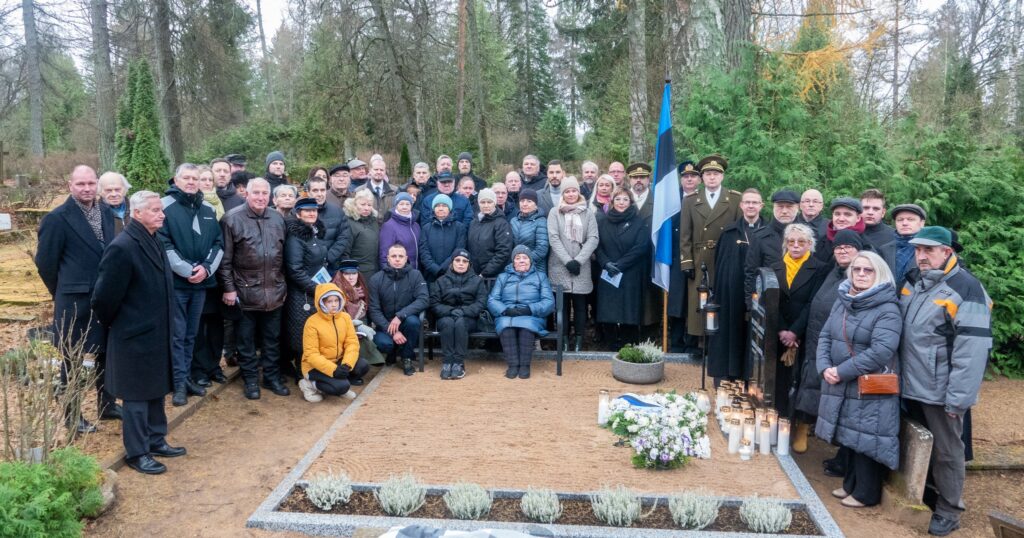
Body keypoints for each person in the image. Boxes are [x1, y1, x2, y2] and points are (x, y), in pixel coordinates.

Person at [899, 226, 992, 537]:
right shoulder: (914, 281)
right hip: (909, 382)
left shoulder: (967, 289)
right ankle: (926, 494)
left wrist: (959, 398)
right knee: (917, 444)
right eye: (918, 250)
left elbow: (973, 351)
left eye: (929, 250)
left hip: (940, 389)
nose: (921, 256)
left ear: (947, 252)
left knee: (947, 451)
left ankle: (950, 510)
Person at [91, 190, 185, 475]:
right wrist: (122, 325)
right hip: (133, 334)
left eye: (161, 209)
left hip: (156, 331)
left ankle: (157, 440)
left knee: (155, 390)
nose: (162, 214)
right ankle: (137, 452)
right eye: (156, 210)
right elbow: (103, 298)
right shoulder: (123, 247)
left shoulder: (153, 239)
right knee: (136, 398)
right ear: (138, 213)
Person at [815, 251, 902, 509]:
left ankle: (866, 492)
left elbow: (881, 351)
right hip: (843, 380)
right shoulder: (843, 300)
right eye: (857, 269)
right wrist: (824, 367)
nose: (861, 274)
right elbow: (825, 336)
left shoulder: (887, 308)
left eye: (868, 270)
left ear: (880, 274)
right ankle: (850, 484)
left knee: (867, 437)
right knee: (850, 435)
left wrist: (841, 371)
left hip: (868, 383)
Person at [35, 165, 118, 433]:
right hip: (73, 300)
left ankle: (107, 406)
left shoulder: (106, 212)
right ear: (70, 185)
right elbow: (46, 263)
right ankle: (72, 416)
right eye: (80, 184)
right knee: (72, 358)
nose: (86, 188)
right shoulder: (57, 218)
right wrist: (60, 291)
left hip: (104, 297)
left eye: (91, 183)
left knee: (106, 353)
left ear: (97, 184)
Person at [796, 229, 863, 478]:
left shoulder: (861, 274)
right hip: (819, 343)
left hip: (842, 349)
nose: (842, 250)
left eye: (848, 247)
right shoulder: (832, 271)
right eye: (838, 247)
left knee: (844, 405)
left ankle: (844, 459)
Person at [218, 178, 290, 400]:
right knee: (246, 341)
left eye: (264, 193)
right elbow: (225, 260)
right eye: (255, 193)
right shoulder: (231, 219)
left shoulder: (278, 219)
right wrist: (229, 289)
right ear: (246, 194)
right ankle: (250, 380)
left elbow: (284, 256)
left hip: (275, 292)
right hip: (245, 292)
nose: (260, 197)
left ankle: (271, 377)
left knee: (272, 339)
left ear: (270, 196)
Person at [159, 163, 223, 406]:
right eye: (186, 178)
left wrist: (206, 269)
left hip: (201, 284)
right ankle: (177, 384)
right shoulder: (166, 207)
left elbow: (218, 243)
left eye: (194, 178)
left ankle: (186, 378)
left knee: (191, 335)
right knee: (177, 335)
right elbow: (164, 244)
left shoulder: (207, 208)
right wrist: (187, 271)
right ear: (176, 180)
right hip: (177, 284)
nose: (191, 182)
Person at [771, 223, 828, 451]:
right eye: (791, 241)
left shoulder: (820, 268)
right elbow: (771, 300)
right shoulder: (773, 267)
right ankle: (779, 421)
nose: (796, 246)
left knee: (802, 381)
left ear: (809, 245)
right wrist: (782, 330)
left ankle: (801, 427)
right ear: (785, 243)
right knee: (779, 380)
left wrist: (795, 331)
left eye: (801, 242)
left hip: (803, 333)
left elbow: (812, 302)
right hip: (779, 333)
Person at [679, 155, 741, 338]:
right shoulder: (690, 200)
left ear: (722, 177)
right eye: (707, 174)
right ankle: (701, 342)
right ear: (702, 178)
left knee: (723, 299)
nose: (712, 177)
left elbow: (738, 232)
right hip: (700, 259)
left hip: (725, 257)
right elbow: (685, 235)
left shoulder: (735, 199)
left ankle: (720, 343)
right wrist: (687, 262)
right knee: (700, 300)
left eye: (716, 173)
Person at [707, 188, 765, 382]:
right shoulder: (729, 233)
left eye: (754, 202)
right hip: (731, 294)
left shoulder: (769, 233)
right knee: (731, 332)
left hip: (760, 293)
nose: (750, 206)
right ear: (741, 206)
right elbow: (720, 265)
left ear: (761, 206)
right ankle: (729, 374)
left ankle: (753, 377)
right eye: (747, 202)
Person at [595, 188, 651, 350]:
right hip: (608, 273)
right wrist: (606, 263)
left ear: (631, 202)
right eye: (618, 199)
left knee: (629, 313)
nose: (621, 202)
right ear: (612, 202)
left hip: (630, 273)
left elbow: (641, 247)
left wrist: (620, 265)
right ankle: (611, 346)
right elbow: (597, 246)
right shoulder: (603, 221)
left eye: (625, 199)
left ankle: (629, 347)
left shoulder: (639, 222)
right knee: (609, 312)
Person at [547, 176, 599, 347]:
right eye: (567, 191)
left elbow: (593, 238)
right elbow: (554, 238)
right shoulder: (555, 212)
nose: (570, 194)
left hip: (581, 266)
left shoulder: (587, 212)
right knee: (562, 306)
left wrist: (578, 261)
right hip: (559, 266)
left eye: (574, 190)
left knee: (580, 306)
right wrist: (568, 261)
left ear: (578, 192)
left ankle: (578, 340)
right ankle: (563, 340)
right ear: (563, 193)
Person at [488, 246, 555, 379]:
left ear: (530, 261)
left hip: (531, 314)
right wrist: (505, 310)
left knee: (526, 327)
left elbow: (548, 301)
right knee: (506, 327)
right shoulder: (503, 277)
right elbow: (492, 299)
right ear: (513, 262)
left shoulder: (540, 277)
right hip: (507, 313)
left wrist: (530, 309)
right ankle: (513, 365)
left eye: (525, 257)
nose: (521, 260)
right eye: (517, 258)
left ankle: (524, 366)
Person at [297, 282, 369, 403]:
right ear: (322, 302)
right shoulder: (312, 322)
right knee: (342, 387)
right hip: (314, 367)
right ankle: (308, 385)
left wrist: (347, 364)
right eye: (329, 301)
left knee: (362, 366)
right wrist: (333, 370)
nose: (334, 305)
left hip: (338, 360)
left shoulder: (345, 317)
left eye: (336, 300)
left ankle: (337, 383)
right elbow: (311, 355)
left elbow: (352, 342)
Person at [283, 197, 330, 379]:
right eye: (307, 211)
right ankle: (301, 373)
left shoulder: (314, 232)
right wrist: (316, 289)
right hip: (301, 294)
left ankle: (313, 369)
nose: (312, 213)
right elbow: (295, 270)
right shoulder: (295, 237)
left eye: (314, 210)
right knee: (301, 333)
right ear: (298, 213)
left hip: (314, 290)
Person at [369, 244, 428, 375]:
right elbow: (374, 309)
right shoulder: (376, 279)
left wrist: (400, 315)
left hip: (406, 320)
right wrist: (391, 330)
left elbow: (423, 299)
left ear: (406, 258)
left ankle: (407, 357)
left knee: (414, 322)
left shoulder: (416, 275)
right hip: (385, 324)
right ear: (388, 258)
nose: (397, 259)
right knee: (384, 344)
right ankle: (392, 351)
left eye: (400, 256)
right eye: (394, 256)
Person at [429, 250, 488, 380]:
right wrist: (450, 311)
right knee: (448, 323)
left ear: (469, 264)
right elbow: (434, 303)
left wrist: (464, 311)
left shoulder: (477, 281)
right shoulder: (441, 281)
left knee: (461, 323)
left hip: (469, 318)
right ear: (452, 262)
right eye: (457, 260)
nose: (461, 263)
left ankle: (458, 363)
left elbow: (481, 302)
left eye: (465, 261)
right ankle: (447, 362)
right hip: (446, 316)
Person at [667, 161, 702, 353]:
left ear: (699, 179)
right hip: (675, 257)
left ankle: (693, 342)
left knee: (695, 301)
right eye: (685, 176)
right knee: (677, 302)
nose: (689, 179)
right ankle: (676, 342)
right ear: (680, 179)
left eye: (693, 176)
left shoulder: (703, 199)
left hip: (698, 257)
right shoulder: (671, 201)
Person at [744, 189, 800, 307]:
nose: (784, 211)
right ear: (773, 207)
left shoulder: (807, 235)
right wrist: (751, 304)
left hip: (799, 303)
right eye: (780, 206)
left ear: (797, 208)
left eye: (789, 206)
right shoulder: (760, 237)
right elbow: (751, 272)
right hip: (768, 302)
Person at [332, 260, 385, 368]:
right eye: (347, 274)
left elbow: (366, 314)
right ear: (340, 275)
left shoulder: (362, 289)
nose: (351, 277)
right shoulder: (334, 290)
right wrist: (357, 326)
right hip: (336, 332)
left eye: (354, 273)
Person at [305, 176, 352, 272]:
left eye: (322, 190)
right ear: (308, 192)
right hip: (308, 267)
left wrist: (328, 257)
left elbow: (343, 237)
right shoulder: (299, 212)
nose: (319, 194)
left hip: (331, 266)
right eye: (315, 190)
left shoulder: (337, 211)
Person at [419, 194, 467, 282]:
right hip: (430, 274)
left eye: (444, 206)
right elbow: (423, 251)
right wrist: (434, 268)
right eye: (437, 206)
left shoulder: (459, 227)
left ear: (450, 208)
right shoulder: (426, 228)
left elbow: (459, 249)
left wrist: (444, 267)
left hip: (452, 273)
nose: (441, 208)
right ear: (433, 209)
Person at [467, 188, 513, 278]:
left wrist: (485, 272)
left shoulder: (501, 223)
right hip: (474, 274)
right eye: (483, 202)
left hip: (494, 276)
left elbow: (503, 251)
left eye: (489, 202)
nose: (486, 205)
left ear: (494, 203)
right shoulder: (474, 223)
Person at [878, 203, 926, 288]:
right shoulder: (884, 250)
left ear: (922, 223)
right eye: (900, 220)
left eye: (910, 219)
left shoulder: (929, 249)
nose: (904, 223)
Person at [343, 190, 381, 282]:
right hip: (358, 272)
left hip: (375, 270)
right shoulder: (349, 223)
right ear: (355, 205)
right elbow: (345, 253)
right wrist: (350, 274)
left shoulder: (374, 222)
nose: (366, 208)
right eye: (363, 204)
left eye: (369, 205)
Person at [378, 193, 421, 271]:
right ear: (396, 206)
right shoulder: (389, 226)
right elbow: (384, 253)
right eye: (401, 204)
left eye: (407, 204)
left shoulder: (416, 226)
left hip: (415, 272)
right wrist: (387, 271)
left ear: (411, 206)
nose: (404, 207)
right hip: (398, 272)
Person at [509, 189, 549, 272]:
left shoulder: (541, 221)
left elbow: (542, 249)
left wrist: (524, 262)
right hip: (515, 267)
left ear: (535, 204)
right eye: (522, 201)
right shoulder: (513, 221)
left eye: (529, 201)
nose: (525, 204)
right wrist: (516, 262)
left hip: (536, 268)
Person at [358, 158, 397, 223]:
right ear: (370, 171)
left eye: (381, 170)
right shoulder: (360, 191)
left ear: (385, 172)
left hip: (389, 229)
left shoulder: (394, 191)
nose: (379, 172)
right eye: (376, 169)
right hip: (368, 229)